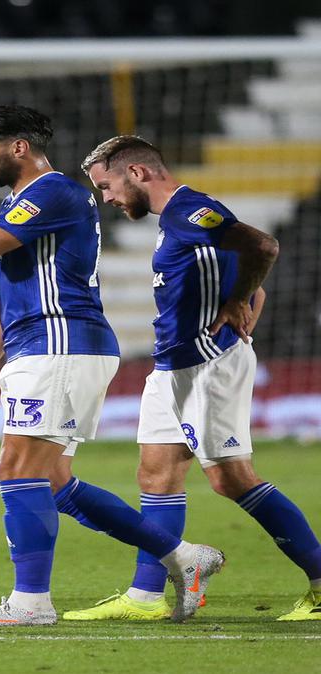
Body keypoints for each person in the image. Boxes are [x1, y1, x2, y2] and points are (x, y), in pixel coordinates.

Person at [0, 105, 222, 628]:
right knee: (54, 481)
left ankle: (30, 603)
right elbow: (7, 288)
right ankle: (182, 557)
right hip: (43, 345)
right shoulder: (24, 202)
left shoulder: (53, 192)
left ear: (18, 146)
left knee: (16, 470)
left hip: (59, 342)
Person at [68, 135, 321, 622]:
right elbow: (253, 284)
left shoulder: (191, 212)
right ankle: (144, 597)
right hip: (172, 366)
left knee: (231, 478)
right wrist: (245, 299)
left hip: (207, 365)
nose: (108, 199)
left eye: (107, 186)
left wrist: (235, 303)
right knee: (156, 475)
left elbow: (263, 246)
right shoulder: (176, 221)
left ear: (137, 173)